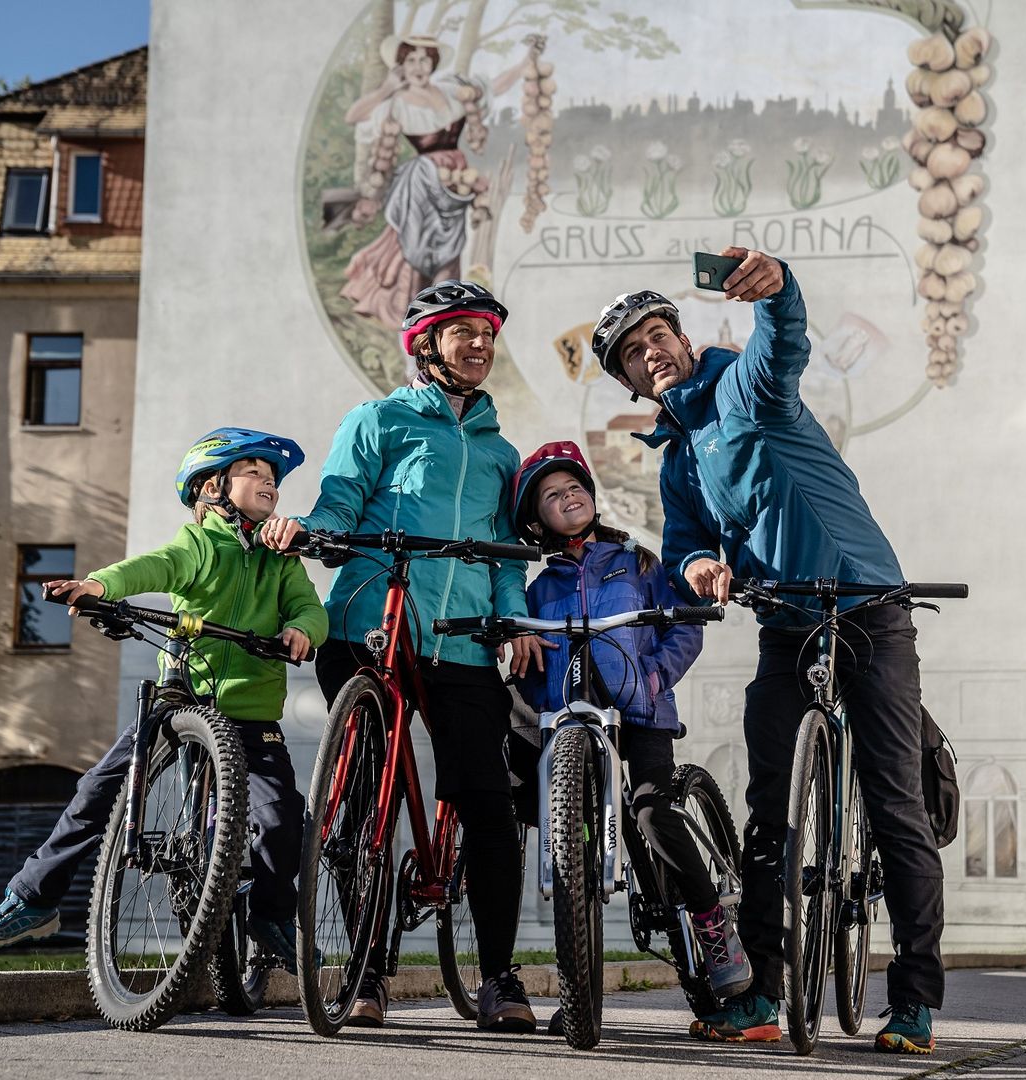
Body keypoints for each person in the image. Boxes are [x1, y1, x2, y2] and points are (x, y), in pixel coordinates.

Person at [591, 248, 946, 1054]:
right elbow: (683, 541)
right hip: (784, 620)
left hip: (868, 606)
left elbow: (781, 344)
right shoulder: (679, 458)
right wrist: (698, 564)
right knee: (768, 818)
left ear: (681, 338)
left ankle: (916, 1002)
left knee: (896, 807)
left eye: (657, 335)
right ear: (633, 383)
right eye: (634, 354)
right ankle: (760, 997)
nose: (653, 352)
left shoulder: (741, 388)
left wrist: (779, 285)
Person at [259, 279, 544, 1032]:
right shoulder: (378, 419)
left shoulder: (500, 451)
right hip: (366, 625)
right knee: (361, 809)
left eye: (487, 334)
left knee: (485, 802)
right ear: (426, 344)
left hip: (462, 635)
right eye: (465, 332)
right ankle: (366, 972)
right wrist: (310, 529)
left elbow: (508, 553)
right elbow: (342, 496)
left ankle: (500, 979)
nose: (480, 344)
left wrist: (513, 616)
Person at [0, 428, 327, 976]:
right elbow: (148, 568)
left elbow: (310, 609)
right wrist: (98, 586)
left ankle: (269, 916)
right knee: (95, 791)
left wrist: (302, 630)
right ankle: (33, 900)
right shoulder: (198, 546)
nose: (268, 481)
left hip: (253, 715)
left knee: (282, 817)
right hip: (181, 702)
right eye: (253, 471)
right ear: (211, 488)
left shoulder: (282, 562)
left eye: (273, 476)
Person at [509, 440, 750, 1005]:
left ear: (591, 497)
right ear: (536, 519)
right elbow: (532, 656)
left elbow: (685, 626)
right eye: (551, 495)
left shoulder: (640, 562)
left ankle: (712, 924)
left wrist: (652, 679)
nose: (567, 498)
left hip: (641, 709)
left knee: (651, 808)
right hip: (570, 719)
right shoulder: (540, 589)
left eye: (574, 488)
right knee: (535, 804)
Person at [338, 33, 527, 327]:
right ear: (401, 65)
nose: (418, 66)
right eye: (410, 60)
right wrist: (386, 89)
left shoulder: (452, 91)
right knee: (417, 258)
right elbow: (353, 116)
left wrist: (526, 63)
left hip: (454, 185)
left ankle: (442, 331)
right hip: (421, 183)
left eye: (424, 59)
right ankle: (413, 344)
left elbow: (495, 86)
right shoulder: (397, 102)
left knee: (448, 256)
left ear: (433, 63)